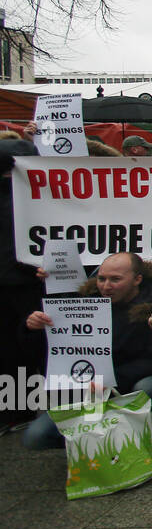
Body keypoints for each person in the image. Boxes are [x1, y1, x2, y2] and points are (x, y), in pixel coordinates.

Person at [22, 253, 152, 465]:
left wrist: (110, 380)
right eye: (101, 279)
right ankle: (103, 442)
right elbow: (50, 349)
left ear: (137, 279)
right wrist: (33, 327)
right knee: (35, 436)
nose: (106, 286)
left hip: (130, 384)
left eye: (115, 279)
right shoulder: (83, 303)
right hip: (90, 388)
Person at [1, 139, 43, 433]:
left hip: (25, 282)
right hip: (22, 282)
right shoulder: (26, 195)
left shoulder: (33, 195)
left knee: (18, 347)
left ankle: (18, 409)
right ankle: (18, 409)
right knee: (20, 347)